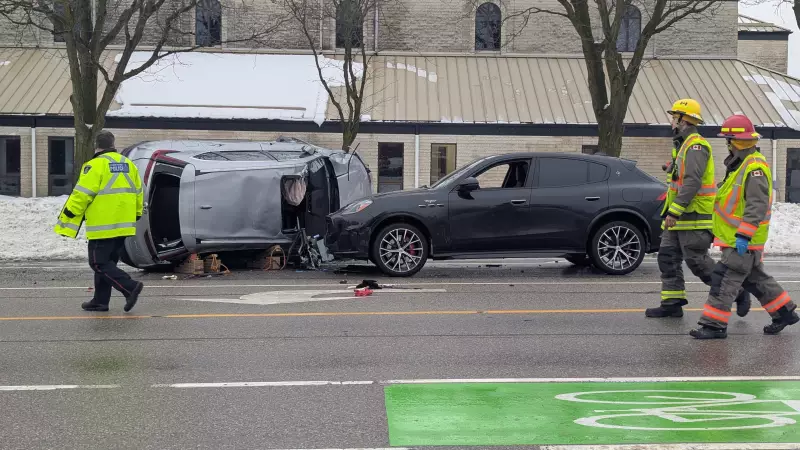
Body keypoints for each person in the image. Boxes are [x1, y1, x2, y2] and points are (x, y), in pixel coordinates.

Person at [690, 115, 799, 339]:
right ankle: (784, 312)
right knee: (755, 279)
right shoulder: (742, 165)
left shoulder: (753, 167)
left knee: (723, 281)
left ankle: (713, 326)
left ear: (736, 141)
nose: (727, 144)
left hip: (742, 240)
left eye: (728, 140)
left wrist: (744, 235)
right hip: (740, 239)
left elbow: (756, 205)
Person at [646, 99, 752, 319]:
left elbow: (692, 182)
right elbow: (683, 176)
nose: (672, 121)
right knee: (667, 257)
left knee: (697, 262)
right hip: (680, 216)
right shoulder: (683, 145)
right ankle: (672, 303)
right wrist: (671, 168)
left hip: (693, 215)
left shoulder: (696, 146)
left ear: (683, 120)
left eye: (674, 117)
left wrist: (674, 211)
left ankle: (738, 293)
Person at [54, 131, 144, 312]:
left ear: (96, 145)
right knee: (108, 263)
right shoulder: (128, 164)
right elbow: (139, 191)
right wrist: (137, 213)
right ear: (113, 144)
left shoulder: (94, 165)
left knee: (98, 263)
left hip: (103, 225)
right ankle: (100, 301)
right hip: (124, 224)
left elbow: (82, 193)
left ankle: (129, 287)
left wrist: (71, 212)